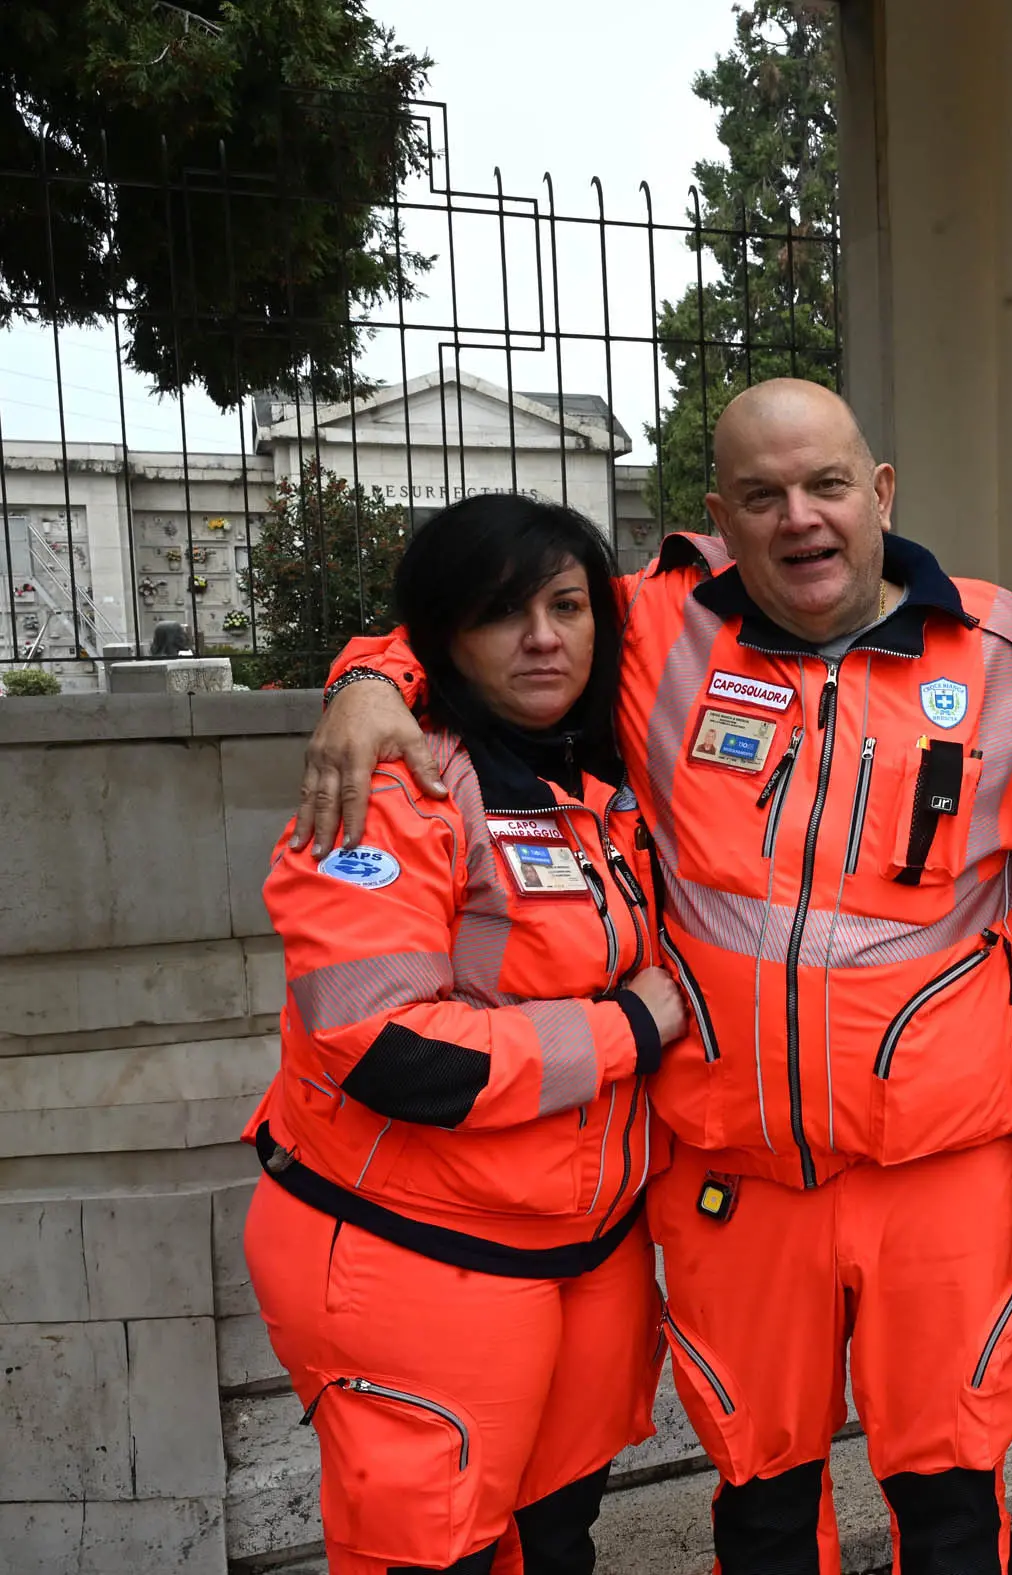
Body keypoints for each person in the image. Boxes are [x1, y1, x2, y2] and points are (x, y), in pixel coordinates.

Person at [293, 380, 1012, 1572]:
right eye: (761, 497)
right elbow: (486, 614)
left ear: (882, 494)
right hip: (733, 1167)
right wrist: (364, 680)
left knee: (952, 1491)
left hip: (943, 1164)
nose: (799, 519)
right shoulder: (653, 624)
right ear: (721, 513)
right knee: (760, 1495)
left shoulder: (1008, 657)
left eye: (826, 486)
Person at [244, 494, 684, 1575]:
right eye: (501, 614)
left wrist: (368, 668)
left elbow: (767, 559)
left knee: (557, 1536)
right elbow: (389, 1050)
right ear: (446, 635)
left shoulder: (595, 769)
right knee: (433, 1555)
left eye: (567, 606)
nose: (543, 636)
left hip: (585, 1249)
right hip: (415, 1250)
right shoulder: (391, 787)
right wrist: (633, 1024)